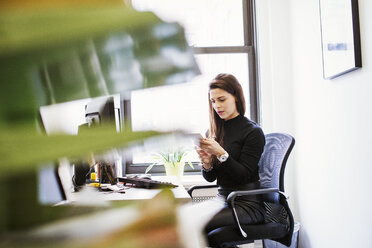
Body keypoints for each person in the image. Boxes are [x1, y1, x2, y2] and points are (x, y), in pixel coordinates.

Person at [195, 73, 266, 247]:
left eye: (221, 99)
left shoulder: (253, 132)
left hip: (248, 205)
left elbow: (243, 175)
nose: (217, 106)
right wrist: (207, 163)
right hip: (223, 200)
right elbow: (211, 178)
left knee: (199, 228)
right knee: (192, 223)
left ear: (236, 97)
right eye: (213, 101)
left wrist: (221, 153)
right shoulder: (213, 132)